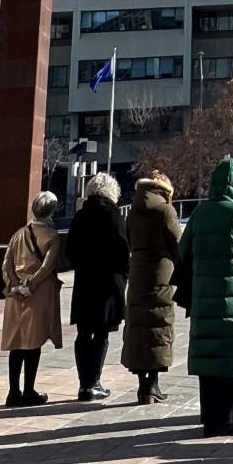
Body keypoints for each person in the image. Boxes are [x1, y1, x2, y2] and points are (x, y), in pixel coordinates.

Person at [173, 156, 233, 436]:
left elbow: (182, 251)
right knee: (229, 355)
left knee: (208, 354)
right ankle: (228, 419)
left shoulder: (199, 214)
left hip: (203, 296)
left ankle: (210, 419)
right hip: (232, 298)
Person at [65, 172, 130, 402]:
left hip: (85, 283)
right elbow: (123, 252)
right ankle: (94, 382)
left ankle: (84, 384)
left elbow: (70, 251)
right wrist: (123, 275)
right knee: (102, 333)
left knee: (83, 333)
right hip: (108, 285)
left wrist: (83, 266)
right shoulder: (114, 216)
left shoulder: (80, 216)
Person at [121, 169, 182, 405]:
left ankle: (142, 386)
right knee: (158, 326)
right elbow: (177, 243)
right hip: (160, 276)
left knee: (139, 327)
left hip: (137, 275)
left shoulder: (132, 212)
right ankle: (153, 385)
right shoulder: (165, 211)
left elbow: (129, 241)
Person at [1, 191, 63, 407]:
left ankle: (13, 392)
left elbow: (6, 264)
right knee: (33, 343)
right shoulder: (52, 236)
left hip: (15, 295)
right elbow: (47, 267)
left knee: (17, 343)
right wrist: (31, 285)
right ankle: (28, 390)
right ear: (51, 211)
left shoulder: (18, 234)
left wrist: (15, 284)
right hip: (37, 295)